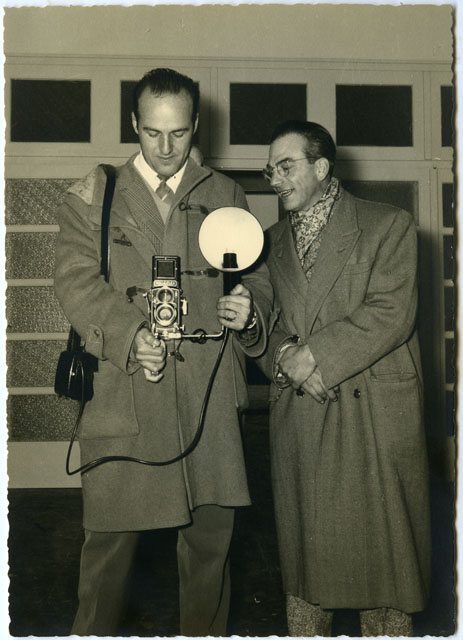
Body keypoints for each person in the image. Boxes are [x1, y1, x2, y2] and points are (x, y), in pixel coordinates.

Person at [54, 67, 272, 636]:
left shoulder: (224, 194)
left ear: (196, 125)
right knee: (106, 566)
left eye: (179, 133)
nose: (167, 148)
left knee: (209, 561)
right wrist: (130, 337)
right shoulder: (95, 194)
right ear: (134, 123)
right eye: (153, 133)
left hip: (208, 405)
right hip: (125, 402)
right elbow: (75, 280)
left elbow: (257, 279)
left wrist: (249, 309)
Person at [256, 120, 431, 636]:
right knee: (308, 577)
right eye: (270, 171)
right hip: (303, 422)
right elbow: (262, 327)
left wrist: (313, 357)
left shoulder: (387, 225)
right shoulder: (269, 243)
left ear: (321, 167)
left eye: (286, 167)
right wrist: (284, 354)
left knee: (384, 575)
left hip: (372, 420)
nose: (276, 180)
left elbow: (391, 312)